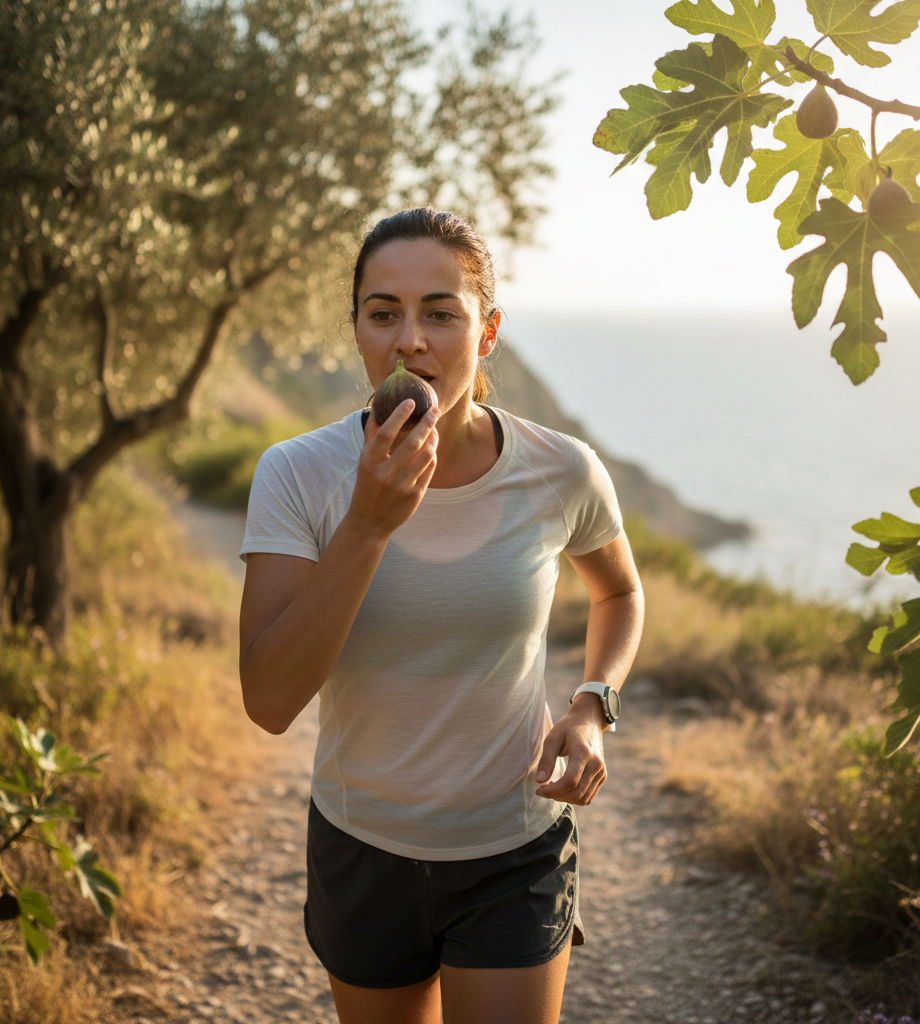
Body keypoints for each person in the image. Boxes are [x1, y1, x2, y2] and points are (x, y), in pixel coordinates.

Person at [238, 207, 644, 1024]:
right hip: (362, 845)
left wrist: (593, 704)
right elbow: (270, 702)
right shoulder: (297, 475)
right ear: (357, 329)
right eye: (383, 313)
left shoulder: (562, 470)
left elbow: (621, 592)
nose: (410, 340)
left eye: (441, 314)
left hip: (515, 846)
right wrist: (368, 524)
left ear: (487, 333)